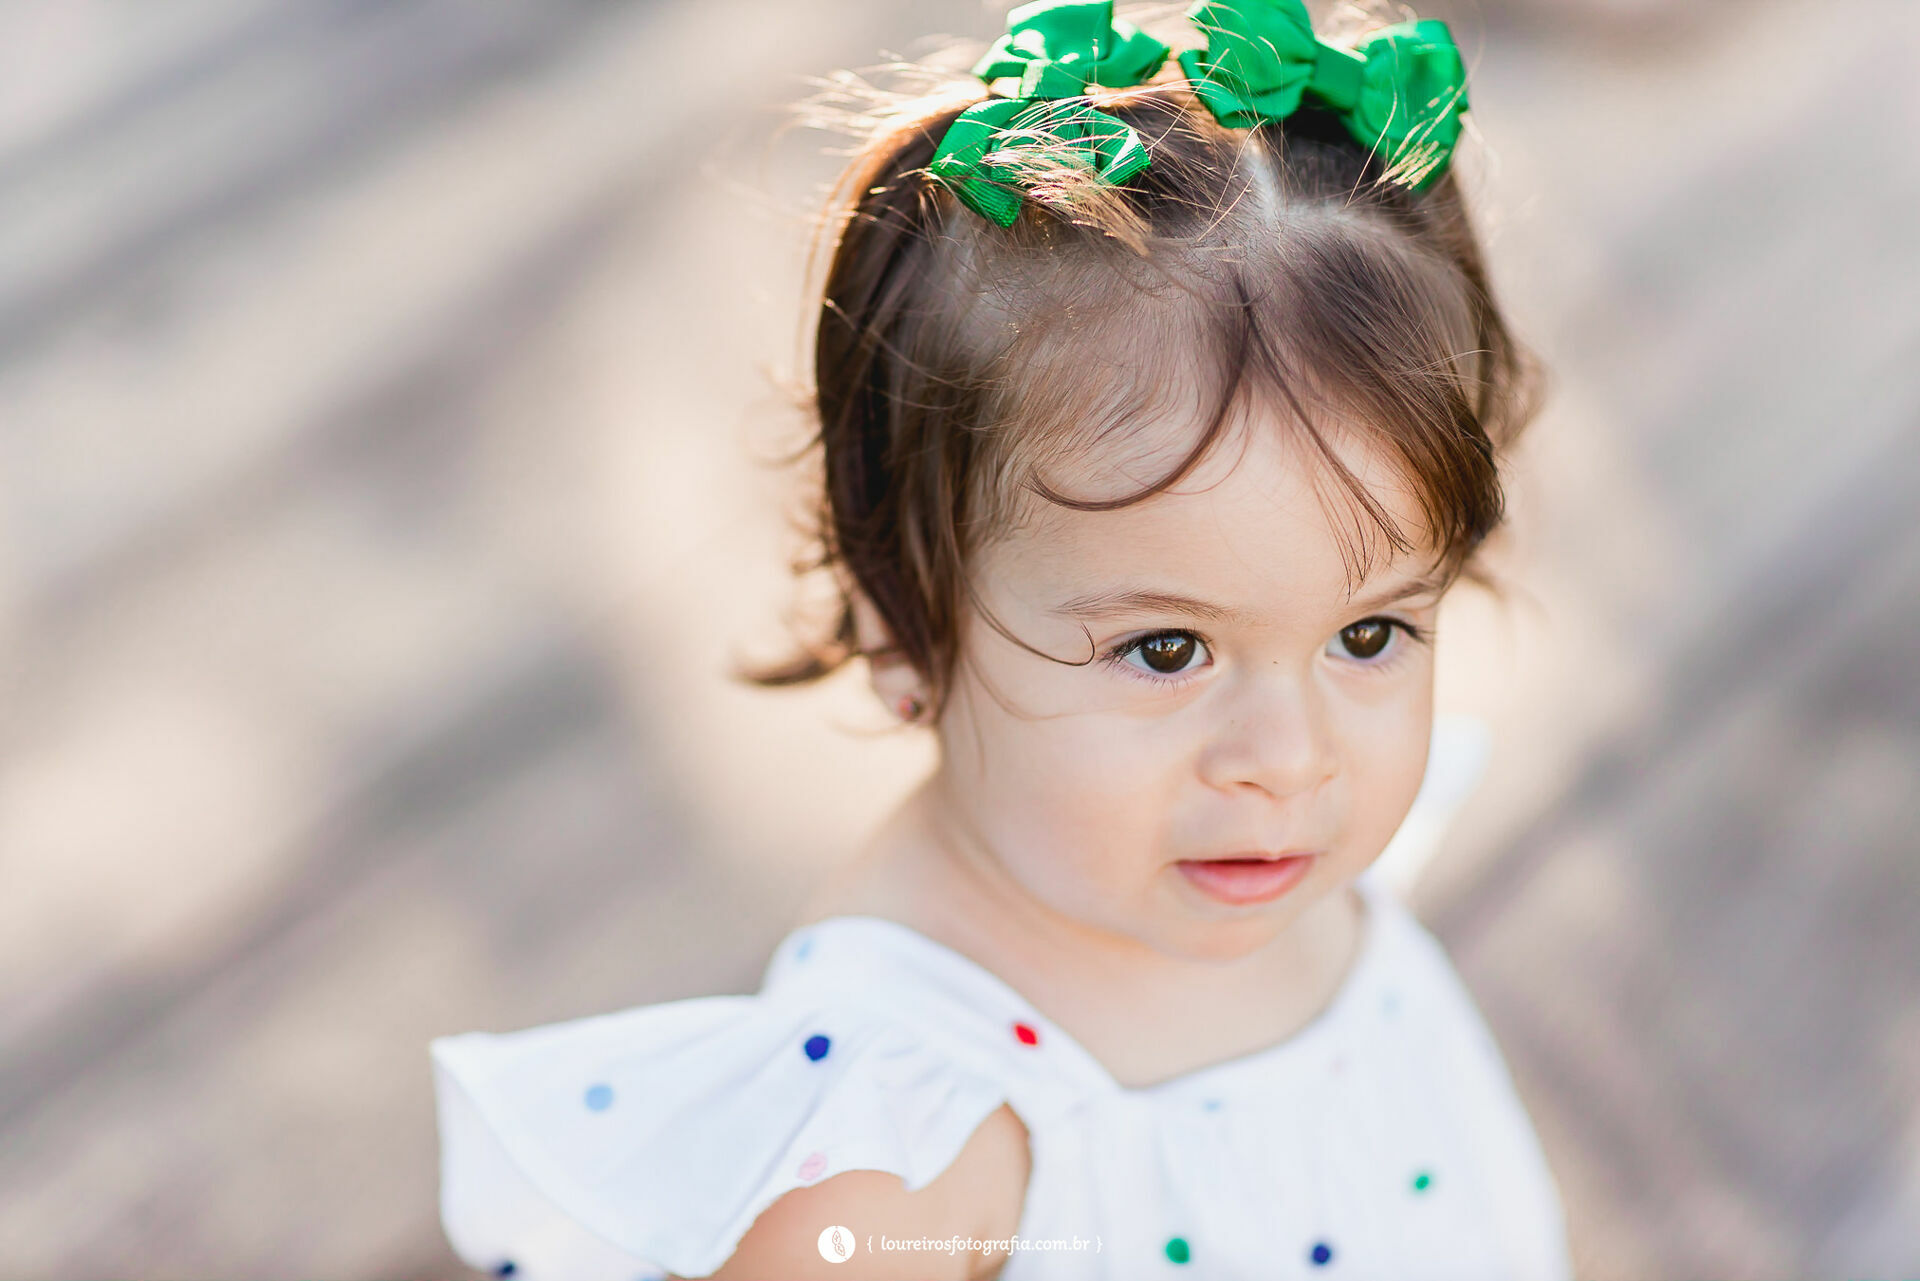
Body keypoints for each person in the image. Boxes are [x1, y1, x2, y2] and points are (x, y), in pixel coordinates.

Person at [429, 1, 1575, 1276]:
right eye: (1165, 651)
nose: (1289, 756)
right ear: (902, 630)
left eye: (1368, 633)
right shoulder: (916, 1143)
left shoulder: (1246, 849)